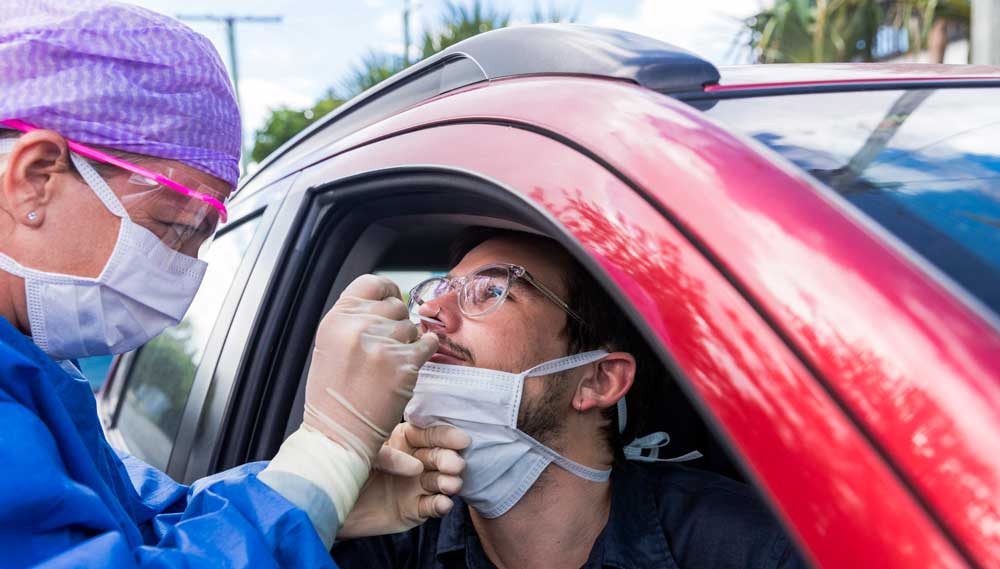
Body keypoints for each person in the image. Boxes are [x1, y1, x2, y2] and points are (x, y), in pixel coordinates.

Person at [0, 2, 467, 567]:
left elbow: (135, 522)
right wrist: (328, 452)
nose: (187, 268)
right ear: (35, 179)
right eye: (174, 227)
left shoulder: (37, 374)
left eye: (204, 237)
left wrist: (321, 495)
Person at [331, 229, 808, 569]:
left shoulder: (747, 550)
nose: (432, 312)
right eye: (440, 288)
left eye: (490, 291)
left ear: (599, 380)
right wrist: (318, 506)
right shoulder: (384, 533)